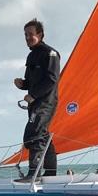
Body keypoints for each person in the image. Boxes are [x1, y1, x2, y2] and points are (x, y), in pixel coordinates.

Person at [13, 18, 60, 181]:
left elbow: (52, 79)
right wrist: (22, 84)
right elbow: (30, 82)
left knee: (34, 134)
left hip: (45, 102)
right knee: (43, 134)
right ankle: (51, 173)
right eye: (25, 35)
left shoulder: (50, 53)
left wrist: (33, 95)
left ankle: (34, 173)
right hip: (34, 103)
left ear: (40, 35)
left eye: (31, 34)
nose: (27, 38)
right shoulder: (31, 56)